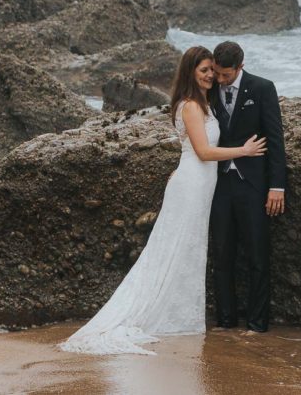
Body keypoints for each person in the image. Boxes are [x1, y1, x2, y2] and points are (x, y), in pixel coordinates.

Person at [59, 46, 266, 355]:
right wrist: (244, 152)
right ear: (190, 73)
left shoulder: (202, 103)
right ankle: (162, 313)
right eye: (204, 70)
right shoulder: (191, 106)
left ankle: (181, 314)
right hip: (193, 185)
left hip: (199, 182)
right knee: (178, 248)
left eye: (212, 70)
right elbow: (203, 152)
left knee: (189, 250)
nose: (211, 75)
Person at [210, 41, 287, 333]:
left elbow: (275, 139)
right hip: (218, 184)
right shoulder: (208, 89)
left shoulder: (262, 88)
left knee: (257, 256)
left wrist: (277, 186)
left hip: (253, 185)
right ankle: (226, 321)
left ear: (240, 67)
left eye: (225, 75)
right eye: (217, 73)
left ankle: (257, 324)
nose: (219, 80)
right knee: (222, 254)